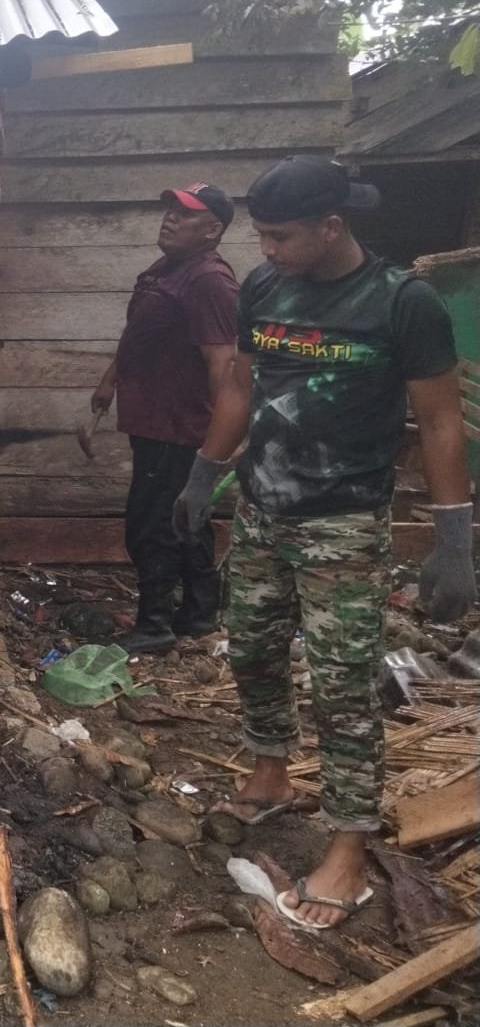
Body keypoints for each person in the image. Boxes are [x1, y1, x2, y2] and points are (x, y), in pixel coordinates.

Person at [174, 156, 476, 928]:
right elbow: (240, 386)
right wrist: (204, 475)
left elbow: (440, 420)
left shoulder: (402, 303)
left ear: (331, 226)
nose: (266, 249)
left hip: (344, 521)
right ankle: (271, 773)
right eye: (262, 235)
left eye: (280, 236)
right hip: (262, 509)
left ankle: (348, 847)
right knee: (251, 648)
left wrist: (452, 540)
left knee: (343, 686)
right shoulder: (263, 289)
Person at [91, 182, 239, 653]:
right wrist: (110, 380)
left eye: (186, 213)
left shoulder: (209, 280)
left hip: (181, 426)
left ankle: (154, 626)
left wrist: (223, 435)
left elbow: (223, 362)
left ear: (212, 230)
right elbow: (140, 332)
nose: (171, 217)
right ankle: (198, 614)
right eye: (171, 208)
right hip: (154, 421)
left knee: (152, 525)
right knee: (185, 518)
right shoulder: (166, 269)